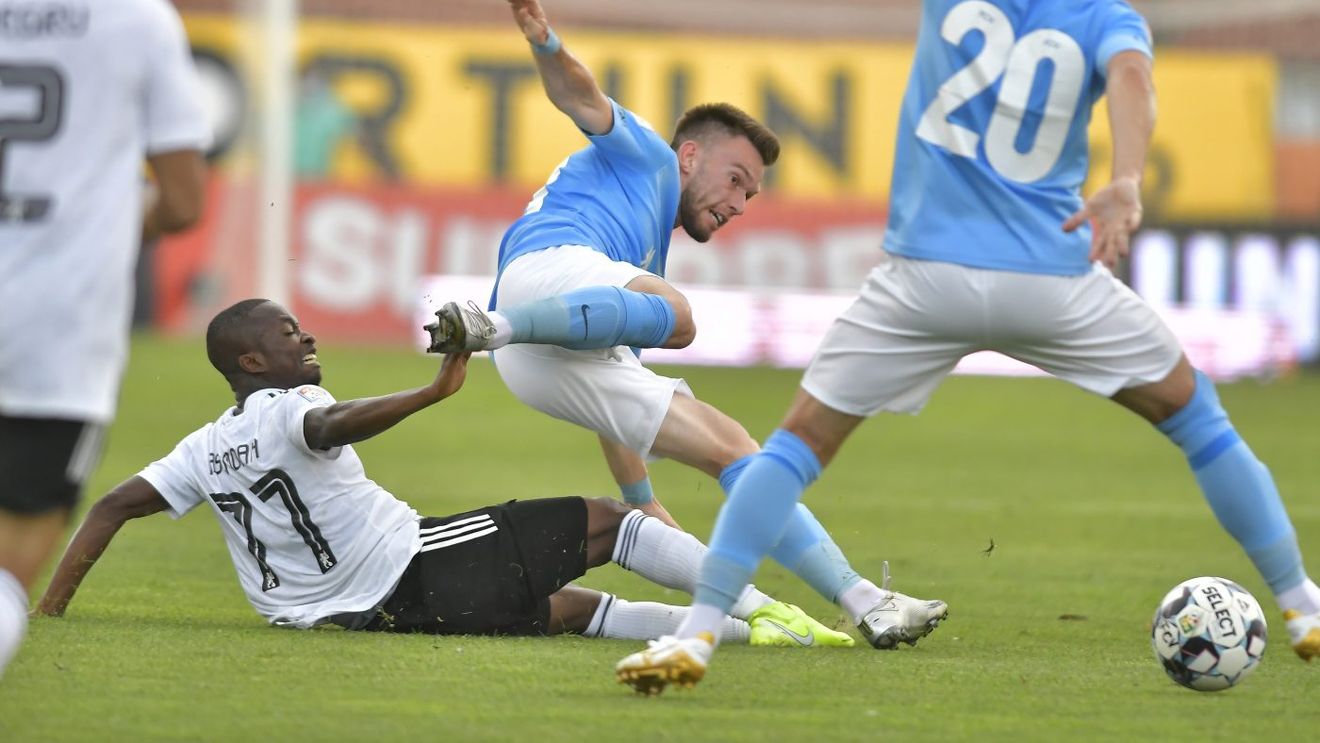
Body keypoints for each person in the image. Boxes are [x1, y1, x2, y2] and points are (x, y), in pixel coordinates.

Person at [614, 0, 1320, 694]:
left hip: (926, 277)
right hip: (1051, 274)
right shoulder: (1104, 16)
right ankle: (1301, 605)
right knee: (1199, 422)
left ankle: (698, 632)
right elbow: (1135, 79)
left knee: (792, 449)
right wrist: (1128, 178)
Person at [425, 0, 948, 651]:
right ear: (691, 155)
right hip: (542, 275)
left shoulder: (638, 264)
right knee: (679, 315)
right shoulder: (645, 155)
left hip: (538, 356)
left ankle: (866, 600)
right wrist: (545, 42)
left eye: (750, 196)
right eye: (735, 180)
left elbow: (609, 389)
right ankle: (491, 325)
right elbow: (578, 93)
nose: (736, 204)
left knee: (738, 450)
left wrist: (642, 499)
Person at [35, 299, 852, 649]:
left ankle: (755, 639)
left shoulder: (201, 448)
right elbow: (329, 422)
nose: (306, 336)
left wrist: (52, 607)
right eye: (289, 333)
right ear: (254, 360)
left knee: (566, 608)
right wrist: (431, 391)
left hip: (340, 618)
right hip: (406, 569)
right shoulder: (293, 406)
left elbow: (108, 506)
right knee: (609, 521)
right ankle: (767, 608)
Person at [0, 0, 210, 678]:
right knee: (10, 567)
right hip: (50, 329)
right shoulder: (135, 20)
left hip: (52, 329)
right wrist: (103, 231)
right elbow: (181, 200)